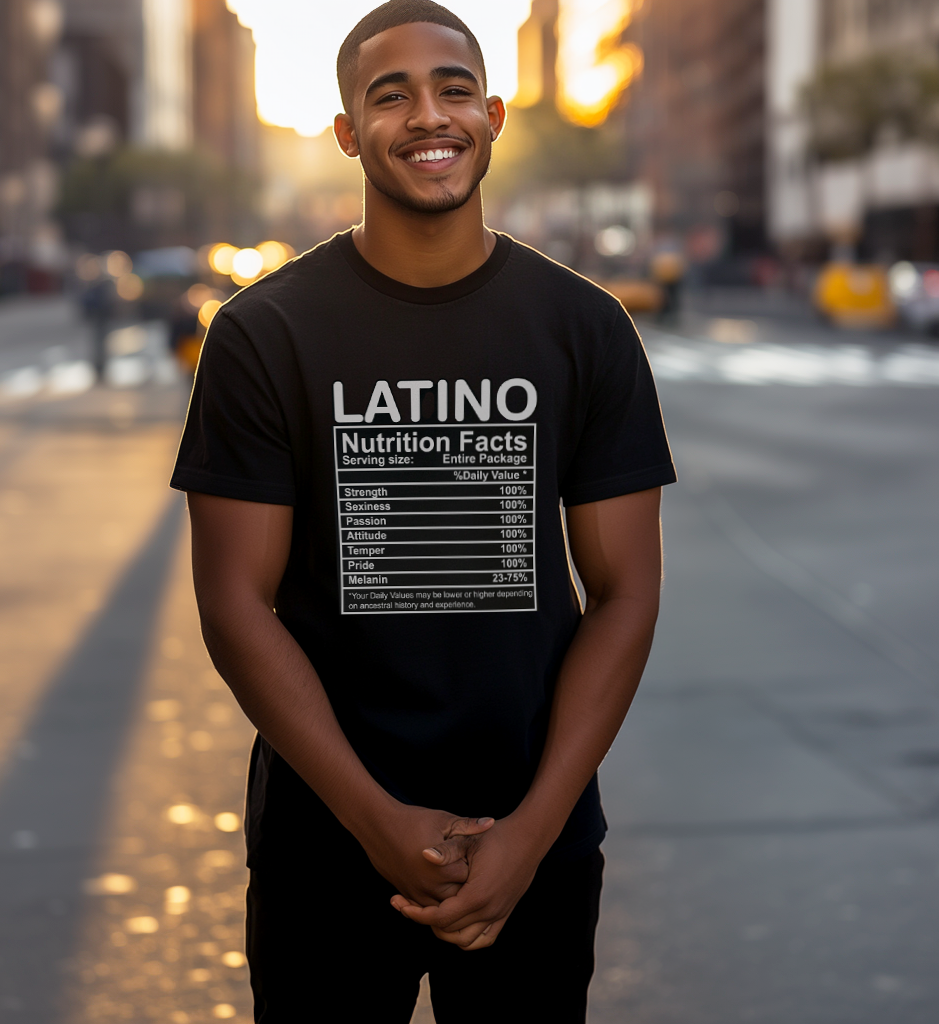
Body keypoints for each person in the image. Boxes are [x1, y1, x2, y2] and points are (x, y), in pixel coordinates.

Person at [170, 2, 675, 1020]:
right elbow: (234, 603)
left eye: (451, 89)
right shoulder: (264, 334)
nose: (426, 115)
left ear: (491, 114)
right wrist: (376, 820)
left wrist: (529, 834)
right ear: (348, 131)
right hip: (326, 841)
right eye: (388, 94)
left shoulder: (584, 327)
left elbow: (624, 592)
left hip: (535, 837)